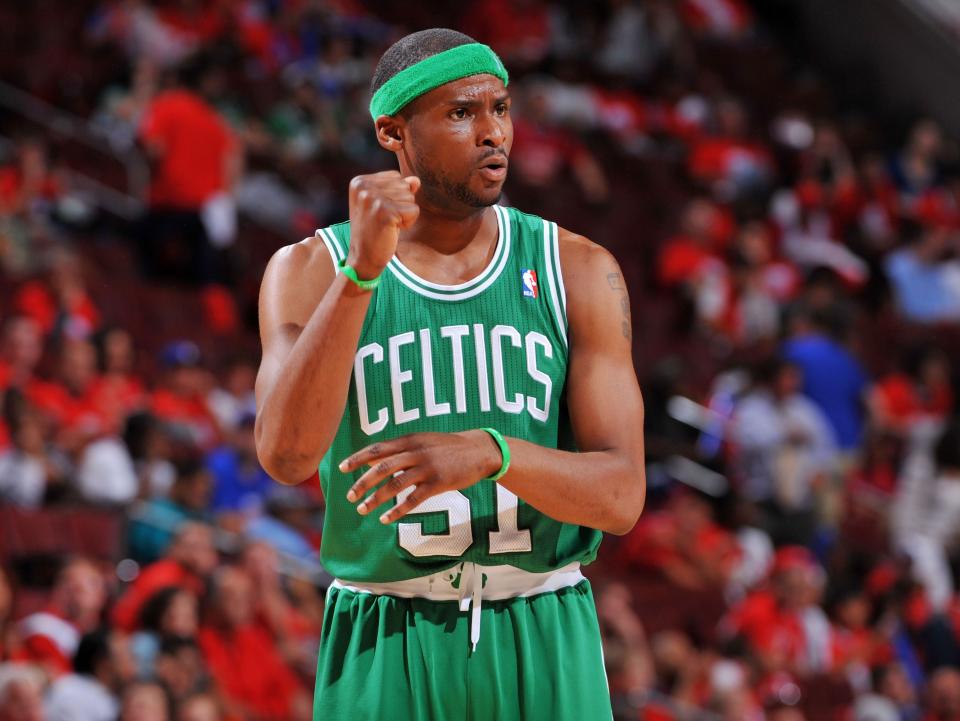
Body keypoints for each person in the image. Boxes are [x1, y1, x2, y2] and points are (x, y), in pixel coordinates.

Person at [254, 28, 646, 721]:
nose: (493, 132)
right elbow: (286, 456)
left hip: (544, 614)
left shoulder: (579, 269)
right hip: (386, 625)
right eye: (462, 114)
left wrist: (489, 452)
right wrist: (361, 277)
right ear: (392, 130)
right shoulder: (308, 269)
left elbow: (620, 495)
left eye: (501, 108)